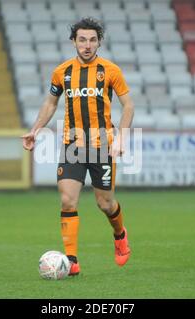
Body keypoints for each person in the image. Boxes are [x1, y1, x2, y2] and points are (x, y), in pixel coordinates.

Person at [22, 17, 134, 276]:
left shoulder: (110, 71)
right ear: (74, 41)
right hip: (72, 145)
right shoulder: (62, 72)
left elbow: (128, 105)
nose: (87, 45)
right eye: (82, 39)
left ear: (99, 42)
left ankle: (120, 235)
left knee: (105, 204)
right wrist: (35, 130)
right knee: (67, 200)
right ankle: (71, 261)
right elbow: (50, 103)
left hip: (101, 146)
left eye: (92, 40)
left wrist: (121, 139)